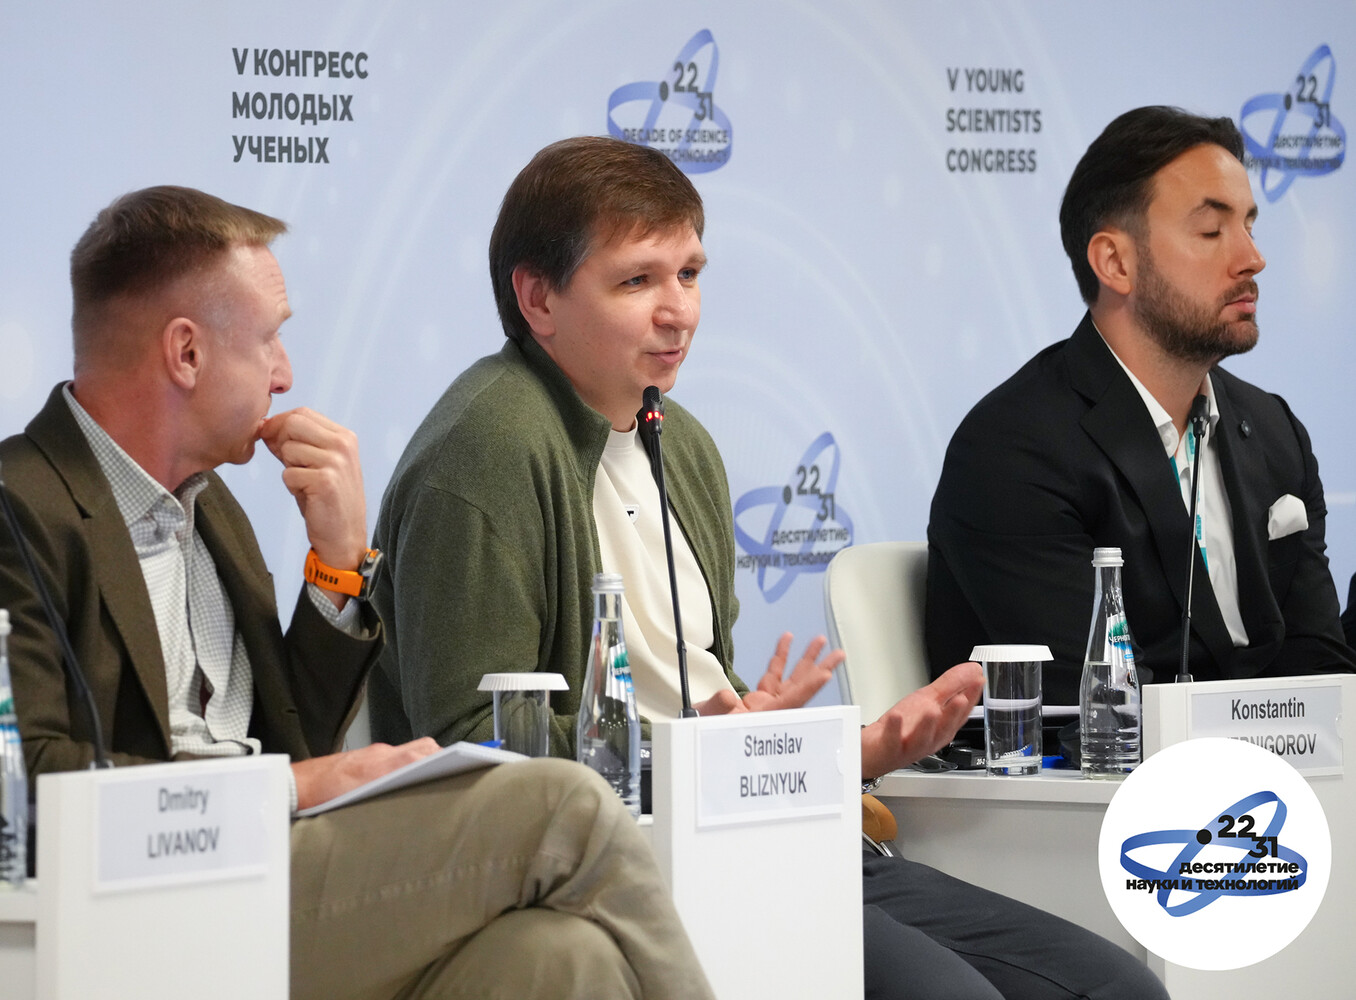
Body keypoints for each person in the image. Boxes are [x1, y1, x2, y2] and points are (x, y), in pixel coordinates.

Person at [370, 136, 1168, 1000]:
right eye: (637, 281)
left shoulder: (681, 442)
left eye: (689, 274)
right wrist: (708, 752)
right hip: (624, 869)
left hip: (756, 833)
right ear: (538, 297)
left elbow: (705, 696)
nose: (679, 312)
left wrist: (851, 749)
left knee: (1116, 987)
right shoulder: (487, 450)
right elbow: (477, 744)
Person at [0, 185, 714, 1000]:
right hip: (144, 906)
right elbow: (19, 787)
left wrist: (339, 567)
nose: (284, 374)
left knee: (561, 959)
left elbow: (293, 738)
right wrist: (296, 789)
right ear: (186, 353)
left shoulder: (214, 512)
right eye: (270, 339)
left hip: (269, 875)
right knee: (562, 805)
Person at [927, 106, 1356, 704]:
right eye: (1212, 231)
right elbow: (1099, 708)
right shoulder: (1012, 451)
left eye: (1249, 226)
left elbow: (1322, 676)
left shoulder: (1276, 432)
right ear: (1115, 263)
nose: (1252, 258)